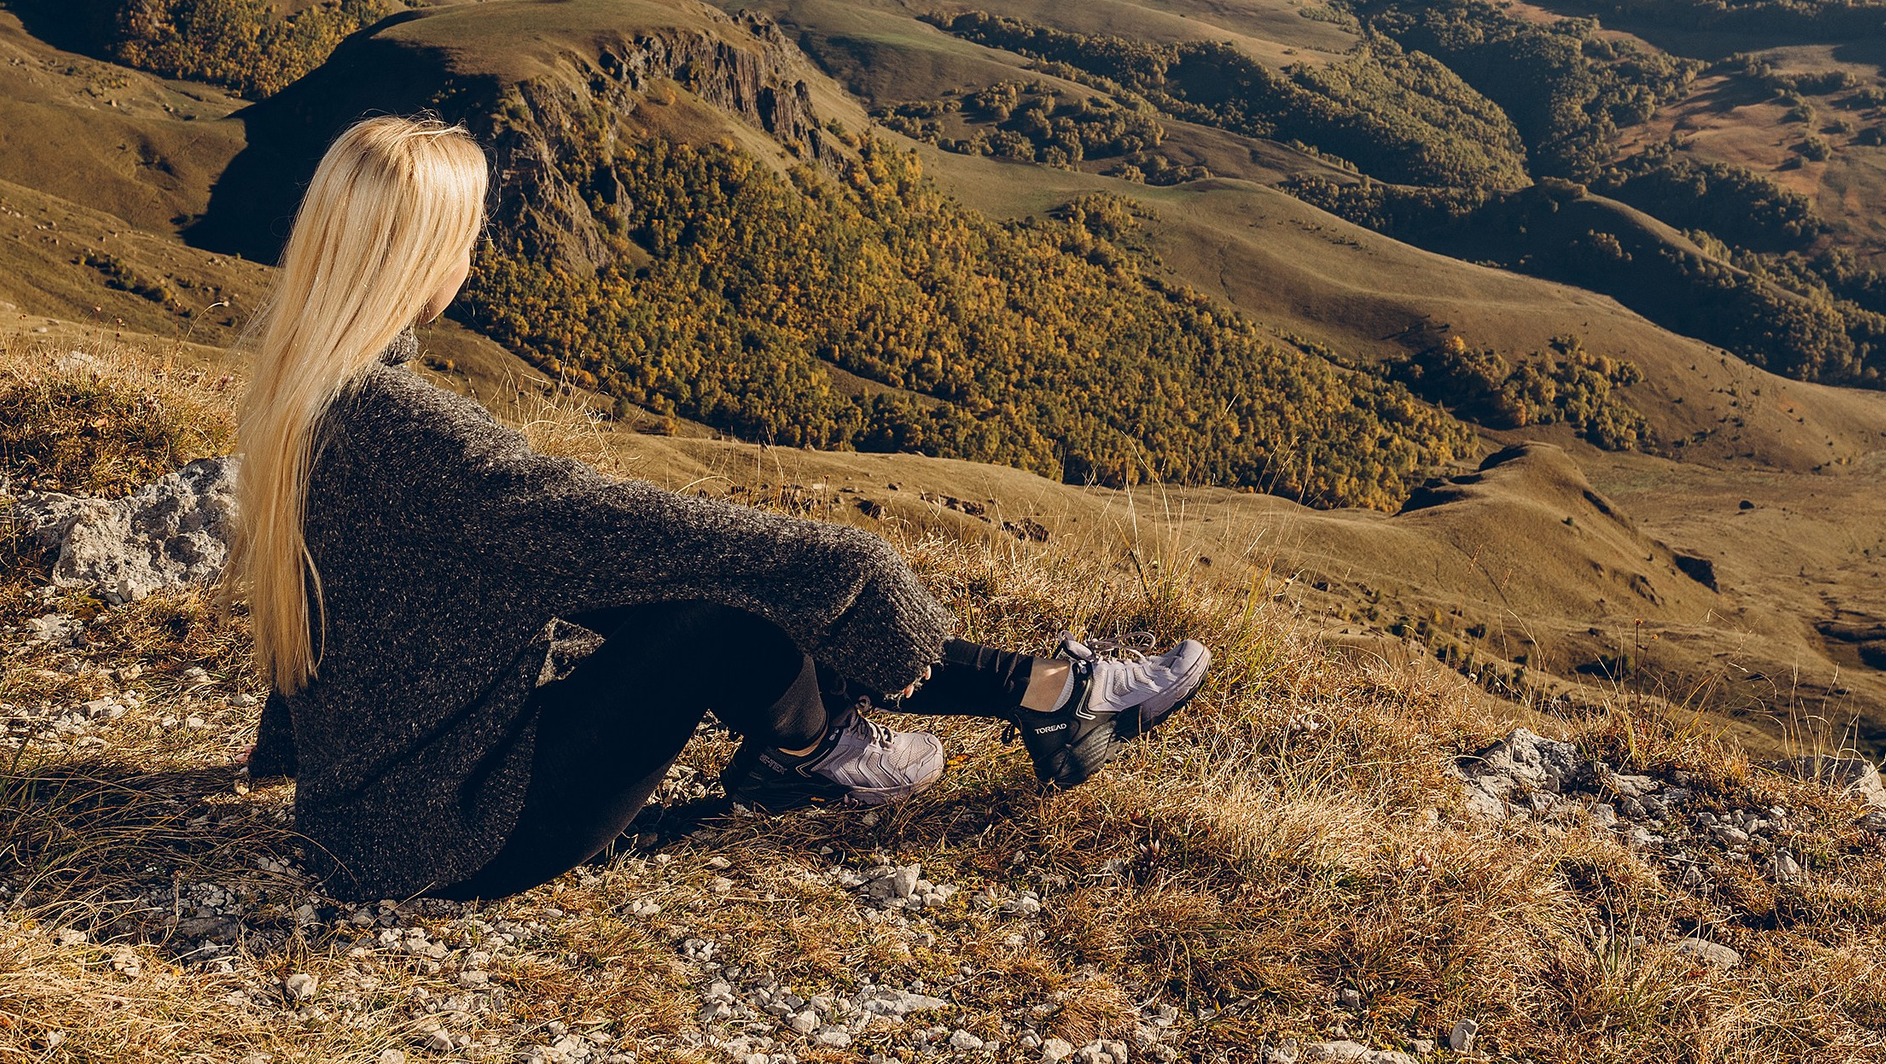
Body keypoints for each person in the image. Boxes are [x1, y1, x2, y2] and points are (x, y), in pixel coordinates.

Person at [229, 115, 1210, 902]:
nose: (477, 252)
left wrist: (306, 763)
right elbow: (599, 519)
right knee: (705, 607)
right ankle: (927, 725)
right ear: (423, 253)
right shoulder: (400, 425)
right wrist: (850, 563)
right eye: (469, 230)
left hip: (387, 805)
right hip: (451, 834)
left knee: (680, 585)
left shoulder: (307, 391)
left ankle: (994, 706)